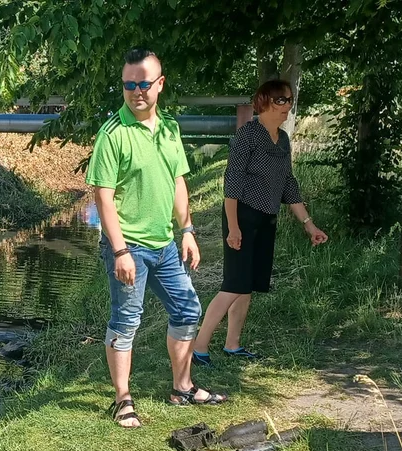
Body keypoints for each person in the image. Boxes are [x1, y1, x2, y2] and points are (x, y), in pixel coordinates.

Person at [87, 47, 226, 429]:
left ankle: (182, 387)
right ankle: (122, 399)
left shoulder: (169, 128)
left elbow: (178, 181)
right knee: (127, 319)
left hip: (165, 244)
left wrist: (187, 230)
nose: (136, 91)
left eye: (144, 83)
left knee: (187, 309)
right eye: (129, 84)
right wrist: (119, 251)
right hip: (128, 245)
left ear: (159, 85)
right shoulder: (112, 134)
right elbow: (103, 196)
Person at [191, 79, 328, 366]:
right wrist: (233, 227)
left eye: (289, 100)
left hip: (266, 219)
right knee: (233, 283)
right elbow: (233, 183)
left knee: (247, 285)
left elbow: (288, 184)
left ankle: (232, 345)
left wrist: (309, 224)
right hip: (241, 216)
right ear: (264, 102)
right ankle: (198, 347)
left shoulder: (284, 139)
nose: (287, 106)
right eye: (281, 100)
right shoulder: (247, 135)